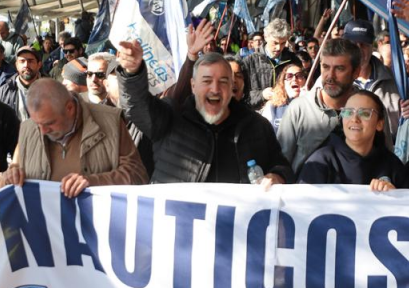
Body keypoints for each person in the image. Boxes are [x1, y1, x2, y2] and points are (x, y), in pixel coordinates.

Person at [117, 42, 291, 185]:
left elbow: (281, 164)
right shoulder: (170, 119)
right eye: (206, 81)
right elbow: (137, 107)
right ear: (193, 86)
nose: (215, 89)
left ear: (232, 87)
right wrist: (132, 74)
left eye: (223, 82)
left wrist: (277, 176)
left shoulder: (257, 126)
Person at [1, 79, 148, 197]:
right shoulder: (27, 128)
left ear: (70, 108)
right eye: (37, 123)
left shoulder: (111, 122)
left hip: (93, 227)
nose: (43, 131)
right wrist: (10, 176)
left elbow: (137, 176)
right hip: (44, 229)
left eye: (50, 123)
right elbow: (15, 169)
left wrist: (92, 182)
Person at [298, 90, 409, 191]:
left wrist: (395, 195)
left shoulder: (391, 164)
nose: (355, 119)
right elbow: (303, 205)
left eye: (364, 113)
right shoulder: (321, 161)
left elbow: (408, 205)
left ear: (379, 124)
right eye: (348, 112)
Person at [277, 38, 360, 171]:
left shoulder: (369, 109)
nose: (330, 76)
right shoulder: (299, 109)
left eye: (339, 68)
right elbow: (281, 164)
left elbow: (383, 162)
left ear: (356, 72)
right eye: (325, 67)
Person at [345, 19, 409, 143]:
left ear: (372, 47)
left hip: (388, 155)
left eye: (363, 44)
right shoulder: (335, 80)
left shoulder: (394, 79)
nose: (359, 49)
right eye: (353, 44)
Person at [242, 18, 298, 110]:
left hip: (287, 113)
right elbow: (241, 94)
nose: (279, 47)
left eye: (283, 43)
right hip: (258, 117)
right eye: (275, 43)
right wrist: (262, 94)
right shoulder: (249, 61)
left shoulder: (293, 60)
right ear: (266, 37)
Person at [0, 46, 42, 121]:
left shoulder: (51, 90)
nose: (26, 65)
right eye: (22, 61)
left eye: (30, 61)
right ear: (16, 65)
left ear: (39, 65)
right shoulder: (3, 92)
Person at [261, 62, 306, 133]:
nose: (294, 79)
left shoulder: (312, 105)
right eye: (289, 76)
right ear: (283, 83)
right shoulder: (272, 106)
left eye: (299, 76)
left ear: (305, 81)